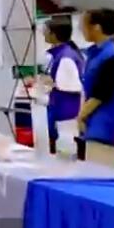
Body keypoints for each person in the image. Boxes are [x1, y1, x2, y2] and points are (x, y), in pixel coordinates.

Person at [78, 8, 114, 162]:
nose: (81, 29)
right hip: (96, 126)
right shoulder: (97, 54)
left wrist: (81, 116)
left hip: (107, 129)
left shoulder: (111, 57)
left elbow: (101, 93)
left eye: (84, 25)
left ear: (97, 28)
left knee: (102, 170)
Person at [39, 17, 84, 155]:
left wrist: (51, 84)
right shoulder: (59, 54)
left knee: (65, 152)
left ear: (54, 34)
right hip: (60, 109)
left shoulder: (66, 57)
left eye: (46, 31)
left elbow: (72, 86)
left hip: (66, 112)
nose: (43, 34)